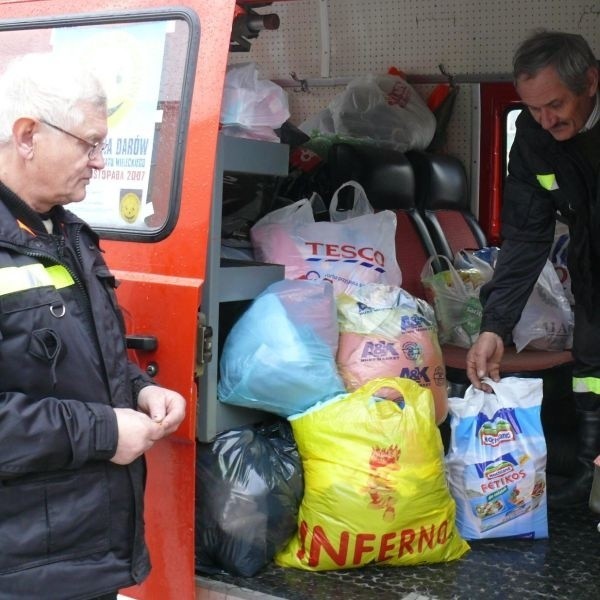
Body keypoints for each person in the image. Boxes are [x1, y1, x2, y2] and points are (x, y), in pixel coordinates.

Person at [0, 52, 186, 599]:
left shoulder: (67, 235)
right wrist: (105, 431)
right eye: (89, 143)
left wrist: (139, 388)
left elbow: (77, 356)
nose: (100, 162)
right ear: (28, 134)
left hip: (76, 557)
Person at [466, 30, 600, 508]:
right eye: (532, 108)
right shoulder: (533, 139)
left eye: (555, 105)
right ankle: (590, 477)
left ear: (590, 81)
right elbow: (525, 237)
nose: (544, 120)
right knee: (591, 362)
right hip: (591, 260)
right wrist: (495, 326)